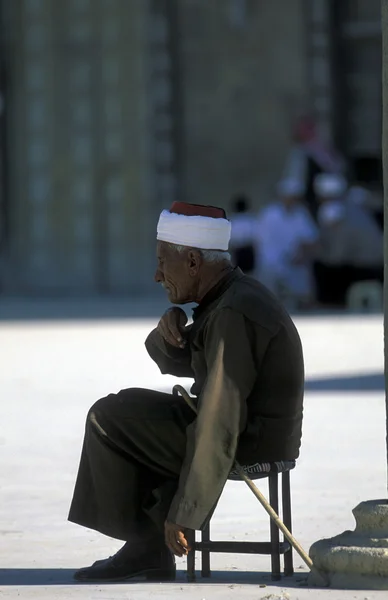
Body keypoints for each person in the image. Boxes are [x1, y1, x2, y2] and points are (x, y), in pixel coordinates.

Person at [68, 202, 304, 583]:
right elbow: (187, 361)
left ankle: (147, 546)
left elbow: (219, 417)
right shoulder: (230, 297)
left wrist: (186, 511)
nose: (156, 275)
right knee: (126, 408)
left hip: (250, 442)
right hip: (252, 432)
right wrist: (170, 329)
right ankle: (146, 548)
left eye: (164, 262)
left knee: (109, 420)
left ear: (193, 262)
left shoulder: (232, 312)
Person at [313, 174, 383, 307]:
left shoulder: (338, 214)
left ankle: (331, 306)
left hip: (368, 267)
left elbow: (336, 257)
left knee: (324, 269)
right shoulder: (355, 206)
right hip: (377, 264)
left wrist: (318, 253)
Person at [256, 178, 319, 309]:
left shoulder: (301, 214)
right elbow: (261, 241)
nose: (292, 201)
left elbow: (310, 238)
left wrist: (302, 254)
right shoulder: (269, 214)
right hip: (271, 265)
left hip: (294, 264)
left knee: (300, 297)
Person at [282, 115, 346, 220]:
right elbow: (295, 178)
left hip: (326, 197)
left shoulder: (322, 148)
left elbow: (337, 167)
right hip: (309, 199)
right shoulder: (299, 153)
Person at [229, 194, 258, 275]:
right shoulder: (251, 219)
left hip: (239, 251)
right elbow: (256, 237)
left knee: (240, 276)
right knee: (250, 275)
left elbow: (231, 239)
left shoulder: (232, 220)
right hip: (248, 250)